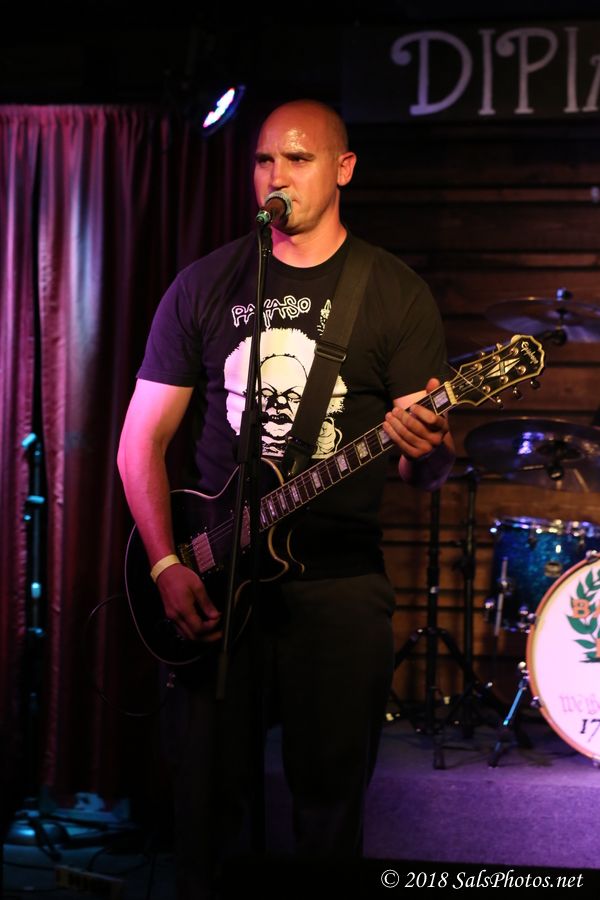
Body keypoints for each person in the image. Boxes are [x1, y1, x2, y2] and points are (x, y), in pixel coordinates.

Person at [117, 98, 455, 897]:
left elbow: (427, 472)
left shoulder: (393, 292)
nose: (277, 176)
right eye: (265, 160)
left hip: (338, 586)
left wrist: (429, 450)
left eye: (298, 160)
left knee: (328, 818)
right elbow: (140, 444)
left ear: (343, 170)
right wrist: (165, 563)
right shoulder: (207, 283)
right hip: (217, 577)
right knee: (205, 817)